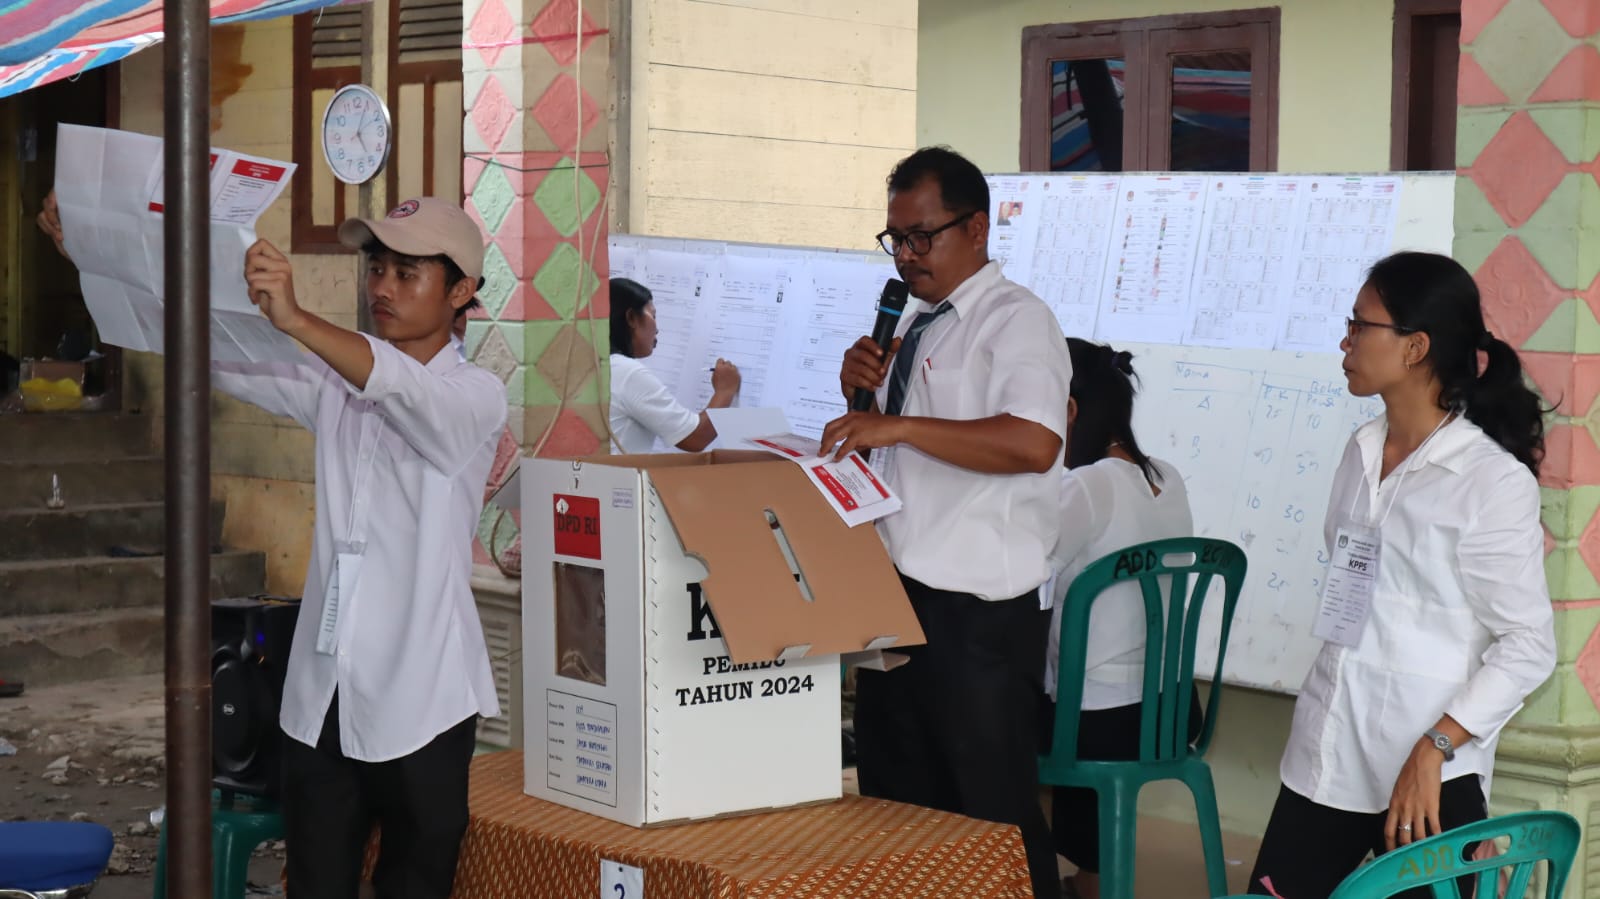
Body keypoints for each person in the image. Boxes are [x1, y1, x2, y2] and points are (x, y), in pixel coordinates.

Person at [39, 193, 505, 899]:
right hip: (321, 694)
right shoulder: (331, 381)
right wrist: (100, 258)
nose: (381, 286)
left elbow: (408, 393)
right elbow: (206, 344)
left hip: (424, 696)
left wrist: (295, 318)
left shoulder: (476, 396)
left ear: (462, 291)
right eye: (376, 268)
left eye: (406, 273)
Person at [1247, 252, 1556, 898]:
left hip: (1424, 780)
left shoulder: (1489, 483)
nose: (1346, 340)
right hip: (1325, 756)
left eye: (1361, 325)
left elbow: (1529, 646)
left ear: (1415, 346)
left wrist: (1435, 746)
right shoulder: (1359, 451)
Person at [820, 145, 1074, 899]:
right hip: (898, 597)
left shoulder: (1018, 321)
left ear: (978, 228)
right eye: (894, 238)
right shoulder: (916, 324)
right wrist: (861, 396)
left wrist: (901, 429)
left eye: (921, 236)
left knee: (988, 814)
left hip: (978, 617)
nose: (905, 255)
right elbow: (886, 458)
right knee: (899, 806)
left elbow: (1034, 442)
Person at [1040, 339, 1194, 899]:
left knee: (984, 714)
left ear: (1070, 410)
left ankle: (1038, 874)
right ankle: (1084, 874)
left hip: (1100, 721)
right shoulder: (1167, 476)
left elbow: (1025, 573)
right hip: (1170, 708)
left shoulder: (1086, 485)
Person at [608, 276, 740, 453]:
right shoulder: (627, 373)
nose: (657, 328)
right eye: (653, 316)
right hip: (615, 479)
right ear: (631, 318)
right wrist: (725, 391)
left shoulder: (592, 364)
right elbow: (695, 438)